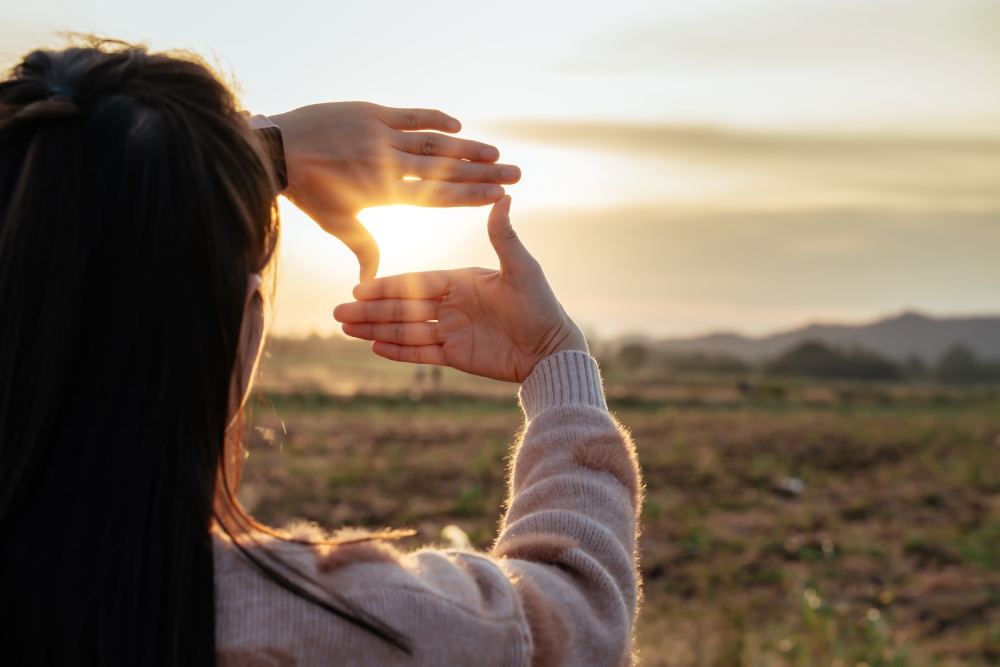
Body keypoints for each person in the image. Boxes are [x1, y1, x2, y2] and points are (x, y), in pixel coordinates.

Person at [0, 40, 641, 666]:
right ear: (245, 326)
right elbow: (580, 617)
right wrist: (555, 358)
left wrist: (259, 149)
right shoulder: (322, 623)